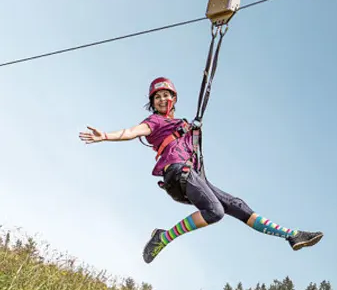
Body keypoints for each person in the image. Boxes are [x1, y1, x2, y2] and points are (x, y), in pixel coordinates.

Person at [79, 77, 323, 263]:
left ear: (173, 98)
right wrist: (107, 136)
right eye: (157, 97)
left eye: (167, 95)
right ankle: (163, 238)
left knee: (237, 205)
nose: (163, 100)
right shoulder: (154, 122)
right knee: (215, 212)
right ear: (152, 103)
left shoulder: (184, 124)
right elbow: (132, 132)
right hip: (177, 173)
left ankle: (292, 235)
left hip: (193, 176)